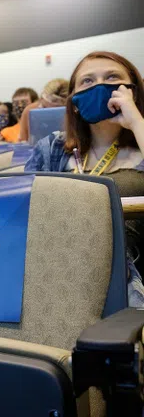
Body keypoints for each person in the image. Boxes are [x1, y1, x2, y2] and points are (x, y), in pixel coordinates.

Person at [25, 51, 144, 306]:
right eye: (87, 81)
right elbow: (23, 210)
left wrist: (135, 121)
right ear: (75, 102)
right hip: (60, 268)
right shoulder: (52, 148)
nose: (99, 85)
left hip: (131, 272)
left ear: (132, 91)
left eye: (112, 77)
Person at [18, 78, 70, 143]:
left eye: (56, 110)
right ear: (41, 99)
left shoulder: (76, 111)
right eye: (44, 107)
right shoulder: (30, 110)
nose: (50, 115)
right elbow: (23, 142)